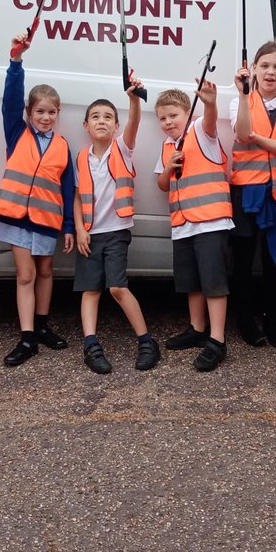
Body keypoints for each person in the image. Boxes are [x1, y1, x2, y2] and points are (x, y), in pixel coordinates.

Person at [0, 33, 76, 367]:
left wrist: (69, 225)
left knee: (45, 271)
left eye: (51, 112)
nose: (45, 117)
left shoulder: (63, 146)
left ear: (59, 113)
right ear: (29, 112)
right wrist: (16, 61)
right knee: (25, 275)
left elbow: (67, 189)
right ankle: (27, 338)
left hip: (46, 220)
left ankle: (42, 326)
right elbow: (9, 100)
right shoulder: (17, 132)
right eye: (39, 111)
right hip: (16, 218)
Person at [72, 79, 162, 374]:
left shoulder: (121, 149)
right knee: (90, 290)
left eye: (108, 117)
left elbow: (134, 122)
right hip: (90, 234)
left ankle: (146, 341)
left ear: (116, 125)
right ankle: (90, 345)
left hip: (115, 232)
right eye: (95, 117)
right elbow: (77, 196)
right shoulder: (81, 158)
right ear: (86, 126)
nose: (102, 121)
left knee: (116, 288)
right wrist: (80, 229)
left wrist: (134, 99)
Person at [155, 81, 234, 371]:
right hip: (183, 225)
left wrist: (210, 102)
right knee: (192, 282)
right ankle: (197, 329)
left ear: (187, 113)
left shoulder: (200, 130)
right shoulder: (166, 146)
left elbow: (211, 122)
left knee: (213, 282)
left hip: (211, 221)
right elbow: (162, 184)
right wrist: (168, 167)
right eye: (163, 118)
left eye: (173, 115)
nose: (167, 122)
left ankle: (217, 340)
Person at [229, 40, 276, 348]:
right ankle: (245, 320)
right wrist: (245, 96)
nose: (270, 72)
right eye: (264, 66)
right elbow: (242, 134)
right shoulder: (239, 101)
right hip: (247, 190)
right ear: (254, 70)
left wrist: (259, 139)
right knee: (243, 260)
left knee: (274, 260)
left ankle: (273, 320)